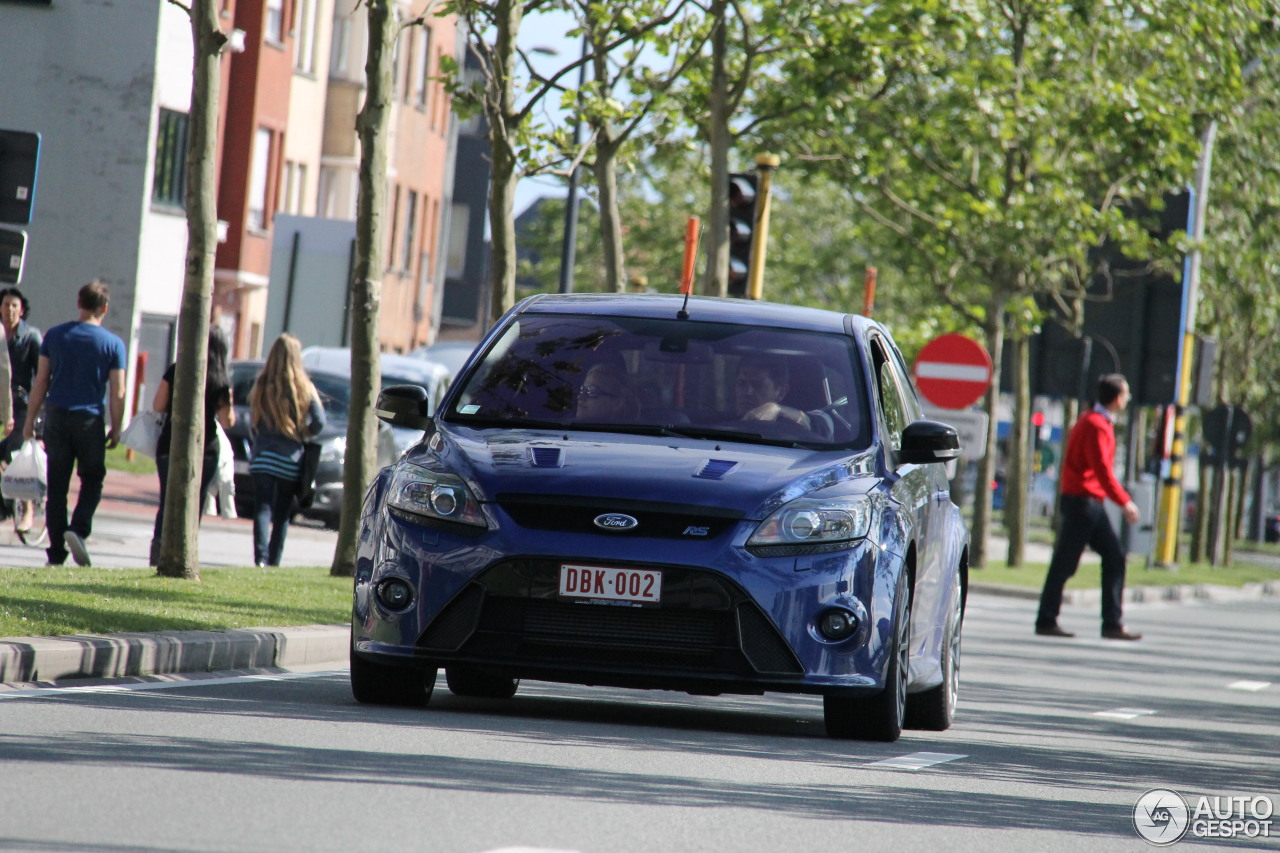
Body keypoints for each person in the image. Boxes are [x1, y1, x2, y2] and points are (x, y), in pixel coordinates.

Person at [22, 280, 126, 567]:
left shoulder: (55, 337)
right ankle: (78, 529)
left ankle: (56, 552)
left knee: (57, 485)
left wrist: (30, 421)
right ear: (104, 308)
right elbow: (118, 391)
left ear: (79, 303)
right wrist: (116, 427)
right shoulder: (113, 345)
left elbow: (41, 381)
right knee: (92, 478)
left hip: (56, 416)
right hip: (89, 420)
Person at [1035, 373, 1143, 641]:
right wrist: (1124, 501)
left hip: (1087, 501)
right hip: (1084, 501)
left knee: (1114, 556)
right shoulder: (1095, 425)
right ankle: (1048, 619)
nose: (1127, 399)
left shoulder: (1092, 420)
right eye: (1126, 394)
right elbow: (1103, 471)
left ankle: (1111, 623)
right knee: (1066, 562)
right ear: (1118, 398)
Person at [149, 327, 235, 565]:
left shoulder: (177, 370)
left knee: (167, 503)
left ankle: (158, 555)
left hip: (170, 443)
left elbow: (158, 405)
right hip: (206, 448)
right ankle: (185, 553)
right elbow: (228, 421)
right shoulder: (220, 381)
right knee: (193, 503)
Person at [247, 333, 325, 567]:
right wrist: (302, 433)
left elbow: (253, 420)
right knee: (282, 514)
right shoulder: (304, 387)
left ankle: (259, 560)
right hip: (290, 459)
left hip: (262, 457)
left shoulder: (261, 383)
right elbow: (319, 422)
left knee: (262, 508)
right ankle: (273, 562)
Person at [0, 286, 44, 538]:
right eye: (5, 305)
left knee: (14, 454)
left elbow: (42, 376)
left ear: (22, 310)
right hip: (0, 402)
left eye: (14, 305)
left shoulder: (31, 337)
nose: (10, 310)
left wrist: (39, 419)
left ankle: (27, 509)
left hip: (21, 405)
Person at [735, 358, 812, 428]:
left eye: (757, 385)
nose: (748, 392)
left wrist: (776, 409)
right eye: (741, 383)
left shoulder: (789, 430)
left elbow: (814, 422)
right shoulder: (724, 424)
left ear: (781, 392)